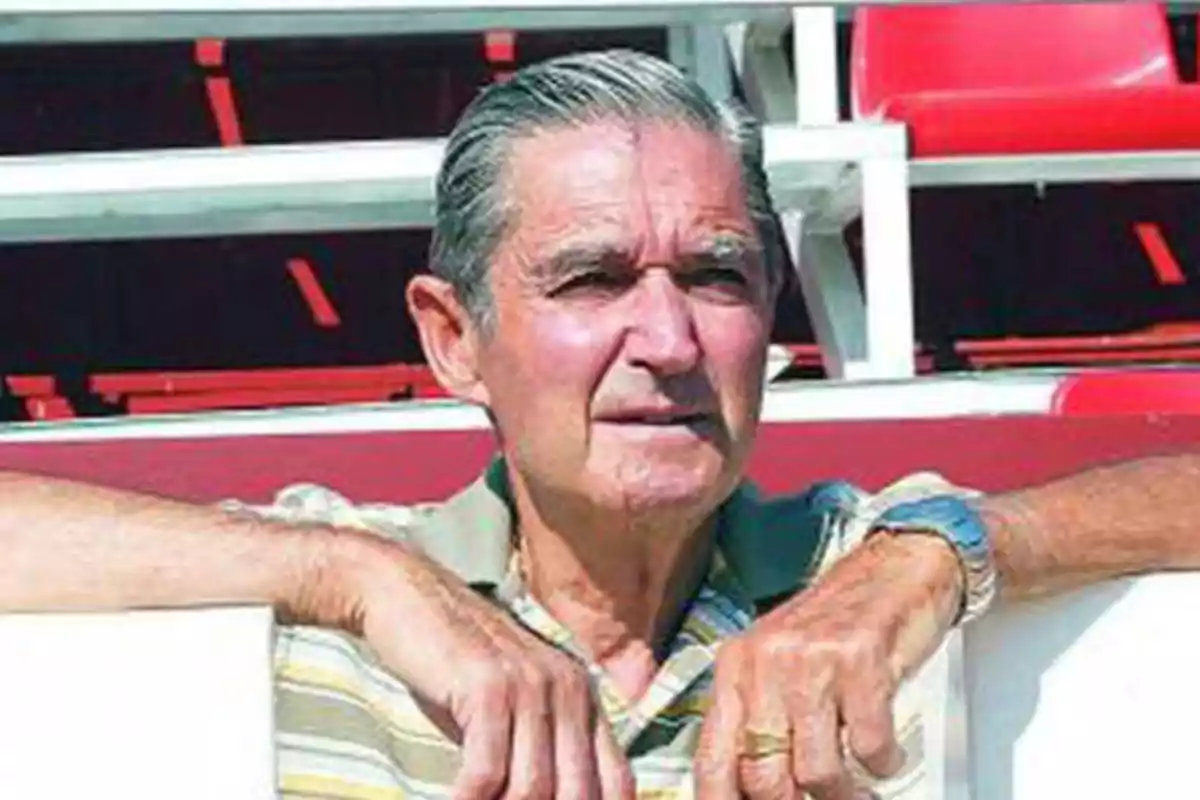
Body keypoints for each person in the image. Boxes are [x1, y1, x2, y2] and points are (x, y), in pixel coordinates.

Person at [1, 49, 1199, 800]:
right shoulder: (338, 590)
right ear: (451, 339)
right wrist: (352, 575)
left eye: (718, 275)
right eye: (592, 280)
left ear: (772, 317)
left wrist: (943, 551)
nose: (671, 340)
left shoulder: (868, 579)